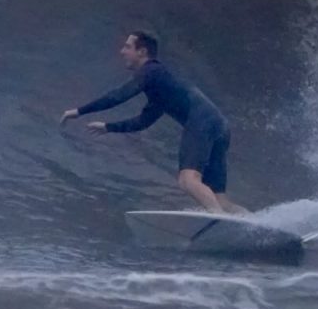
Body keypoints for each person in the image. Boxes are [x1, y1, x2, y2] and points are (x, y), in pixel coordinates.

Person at [61, 31, 247, 214]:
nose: (122, 51)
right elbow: (143, 121)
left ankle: (216, 216)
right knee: (219, 197)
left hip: (202, 122)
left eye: (127, 47)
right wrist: (109, 127)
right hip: (220, 125)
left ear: (142, 52)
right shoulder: (160, 84)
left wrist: (79, 111)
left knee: (188, 180)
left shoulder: (151, 70)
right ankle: (252, 223)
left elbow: (119, 95)